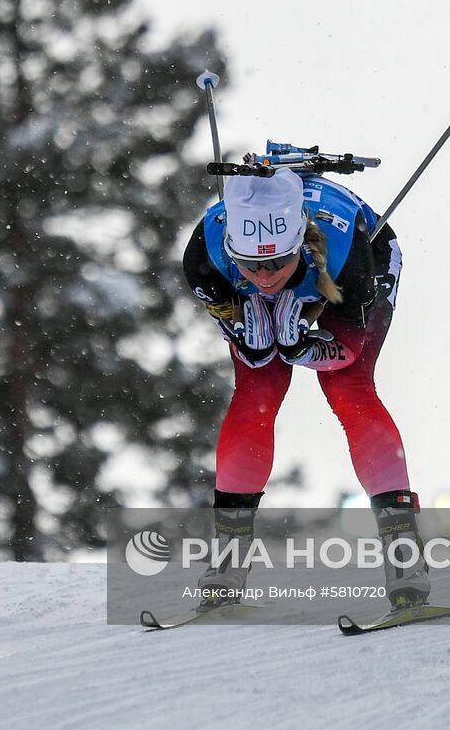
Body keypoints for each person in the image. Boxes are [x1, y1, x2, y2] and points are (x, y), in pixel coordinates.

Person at [181, 166, 429, 609]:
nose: (265, 275)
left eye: (277, 261)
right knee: (257, 389)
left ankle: (404, 555)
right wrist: (250, 340)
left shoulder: (347, 261)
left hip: (356, 259)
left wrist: (302, 347)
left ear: (300, 245)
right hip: (270, 284)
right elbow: (243, 328)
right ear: (231, 252)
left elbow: (348, 352)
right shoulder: (204, 259)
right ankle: (227, 562)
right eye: (252, 264)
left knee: (349, 388)